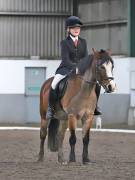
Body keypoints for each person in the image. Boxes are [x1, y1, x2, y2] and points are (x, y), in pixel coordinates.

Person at [46, 16, 101, 121]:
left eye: (78, 28)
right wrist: (75, 68)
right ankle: (51, 108)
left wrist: (85, 67)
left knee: (96, 84)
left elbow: (85, 58)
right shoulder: (64, 43)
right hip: (65, 68)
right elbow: (65, 59)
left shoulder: (83, 42)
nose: (76, 30)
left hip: (81, 70)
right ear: (68, 29)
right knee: (54, 83)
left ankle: (95, 106)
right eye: (73, 28)